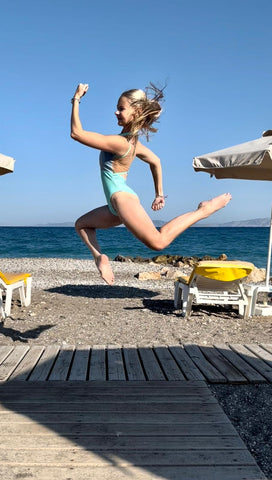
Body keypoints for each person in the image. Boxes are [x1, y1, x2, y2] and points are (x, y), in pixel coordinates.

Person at [71, 83, 231, 285]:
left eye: (121, 108)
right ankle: (99, 257)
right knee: (82, 225)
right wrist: (159, 194)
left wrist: (76, 98)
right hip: (115, 206)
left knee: (159, 241)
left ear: (136, 111)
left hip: (121, 198)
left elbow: (76, 133)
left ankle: (203, 210)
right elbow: (156, 161)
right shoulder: (133, 143)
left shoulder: (120, 143)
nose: (116, 112)